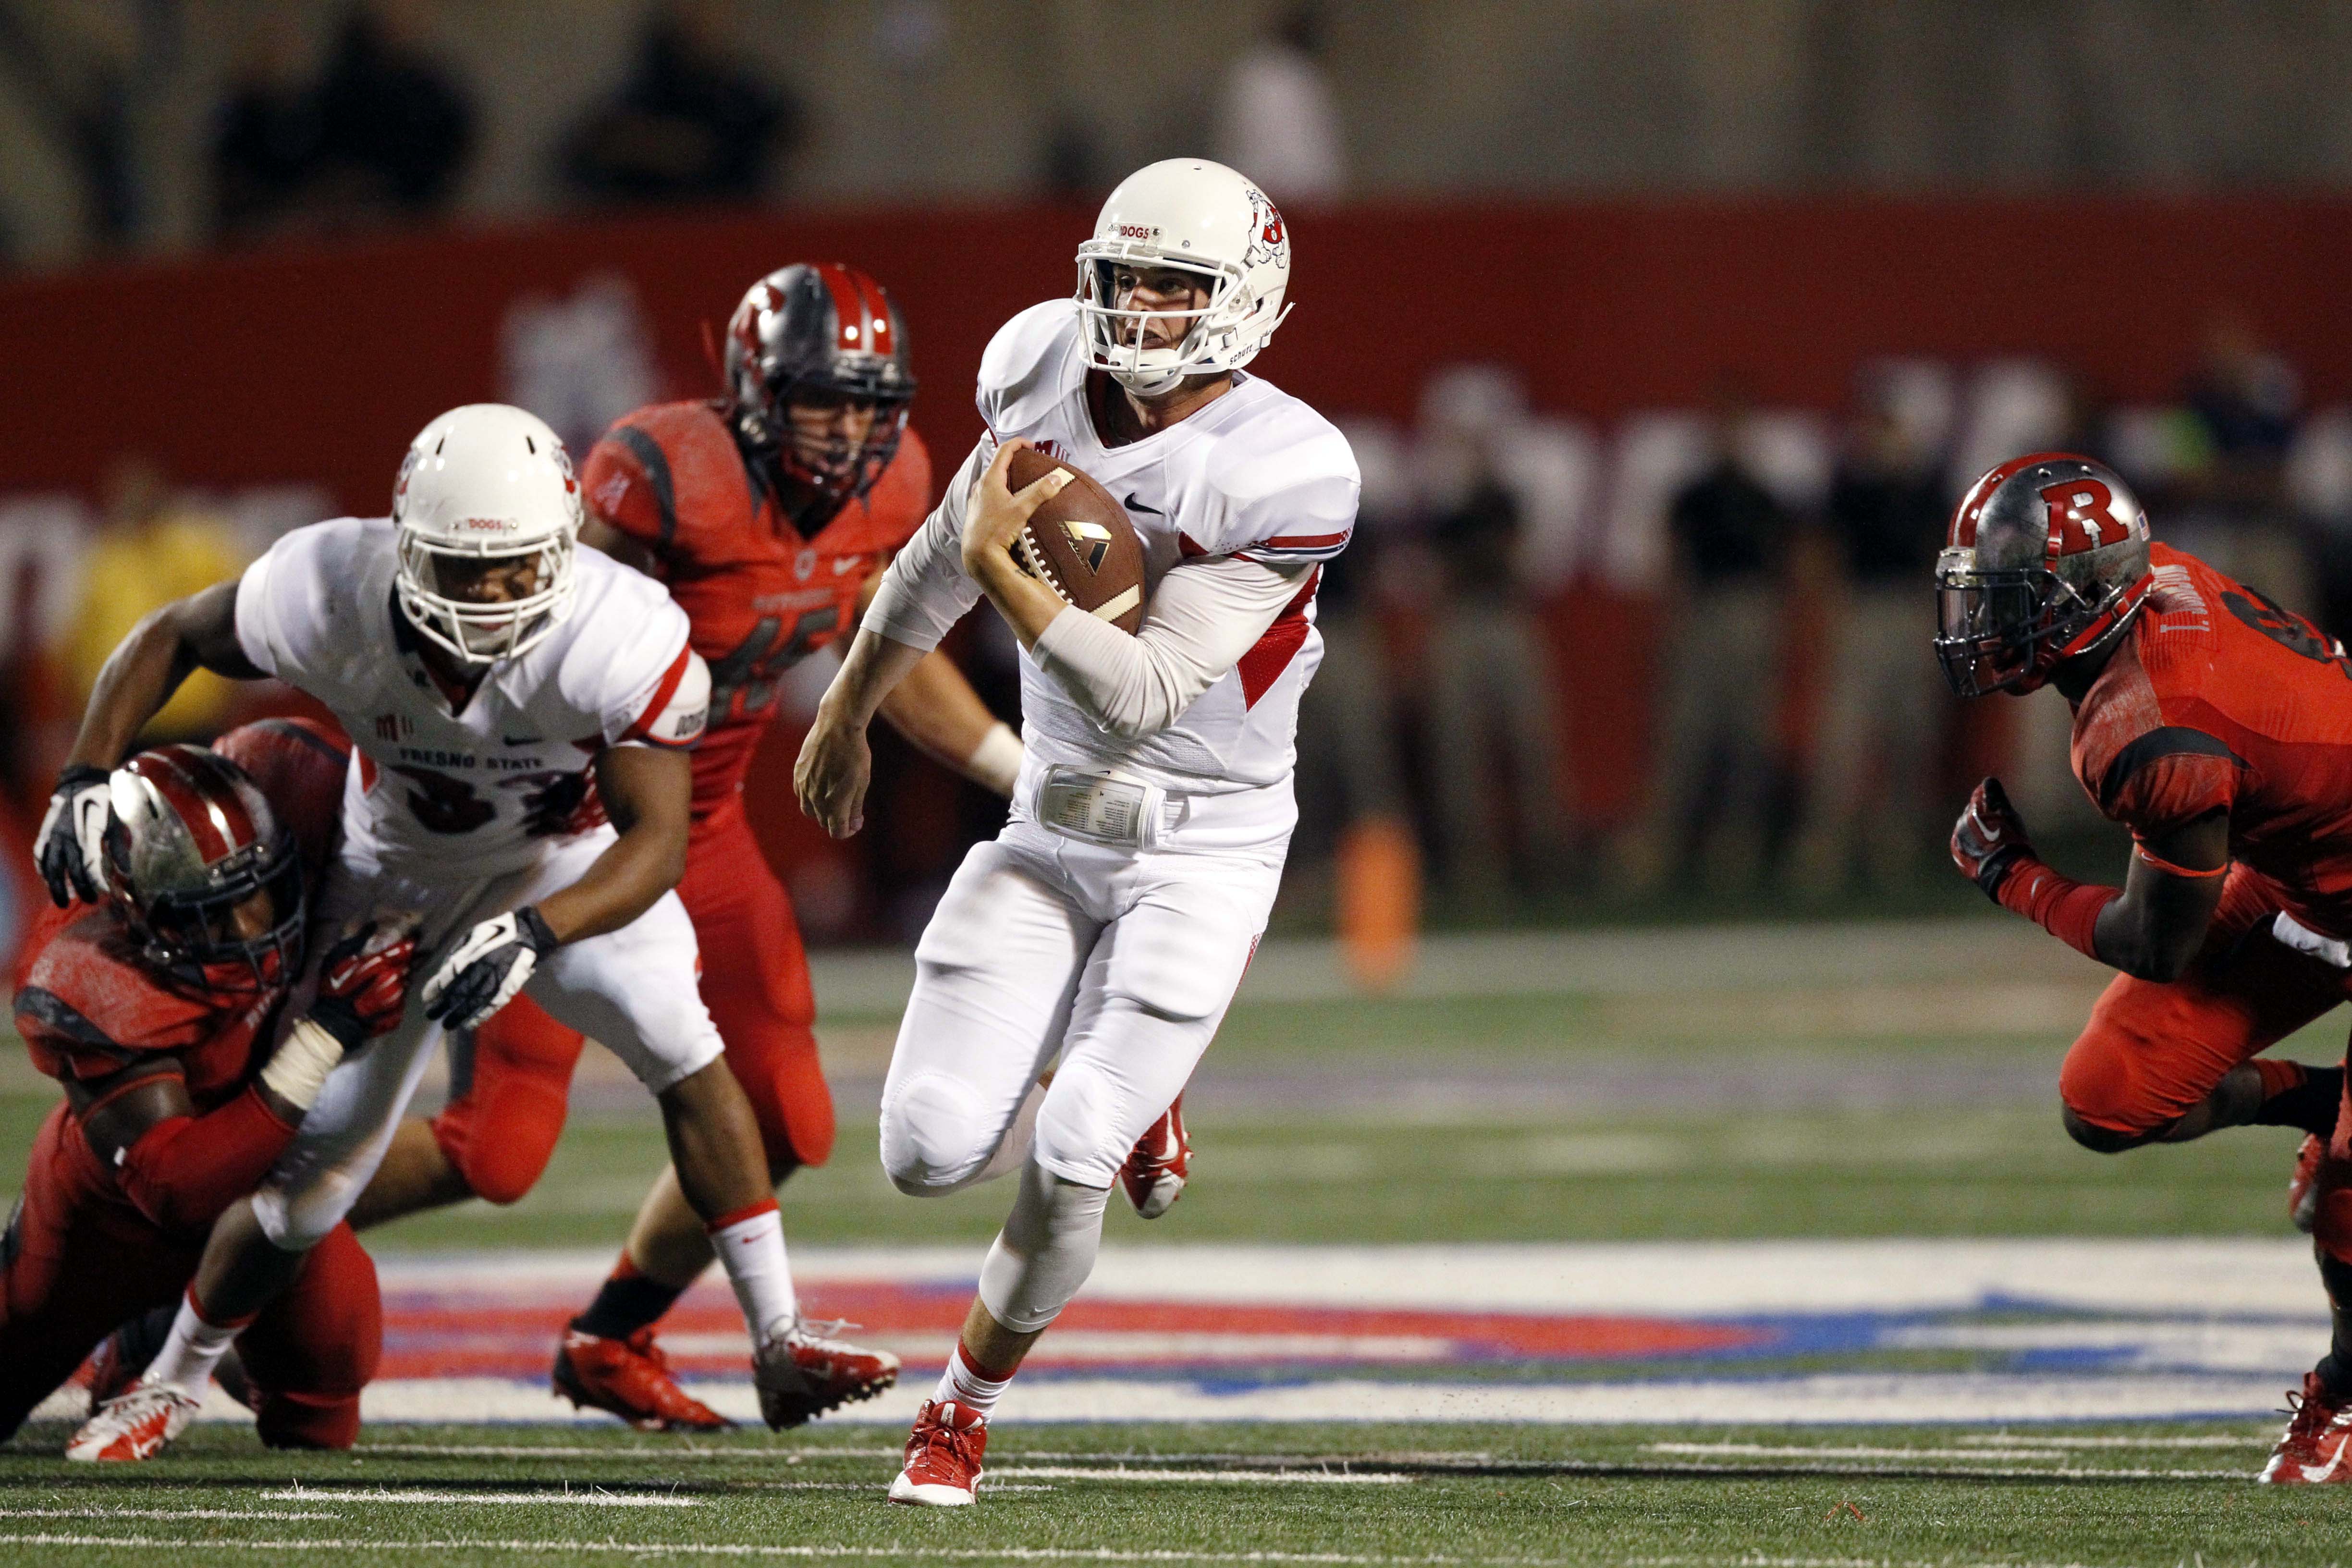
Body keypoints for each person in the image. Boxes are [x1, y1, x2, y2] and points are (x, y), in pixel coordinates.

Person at [37, 403, 804, 1462]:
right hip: (390, 871)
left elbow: (658, 841)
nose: (490, 598)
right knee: (314, 1174)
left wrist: (537, 929)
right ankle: (172, 1381)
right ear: (403, 547)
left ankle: (780, 1332)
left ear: (567, 544)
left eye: (516, 568)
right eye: (459, 569)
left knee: (679, 1033)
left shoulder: (621, 631)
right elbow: (174, 633)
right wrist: (85, 771)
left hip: (557, 861)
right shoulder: (330, 588)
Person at [334, 263, 1026, 1431]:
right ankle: (232, 1255)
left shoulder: (895, 482)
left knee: (789, 1119)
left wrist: (1023, 776)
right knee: (495, 1151)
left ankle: (611, 1336)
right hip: (570, 834)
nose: (853, 431)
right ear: (755, 387)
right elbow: (540, 649)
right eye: (823, 400)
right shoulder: (664, 478)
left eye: (872, 403)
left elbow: (882, 639)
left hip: (701, 833)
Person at [796, 157, 1358, 1506]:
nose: (1142, 308)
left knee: (1070, 1148)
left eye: (1178, 284)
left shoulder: (1286, 466)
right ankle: (1131, 1074)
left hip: (1206, 841)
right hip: (1051, 819)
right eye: (1125, 277)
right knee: (924, 1151)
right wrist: (850, 709)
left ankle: (960, 1408)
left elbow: (1153, 685)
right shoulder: (1039, 369)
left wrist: (1009, 575)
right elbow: (935, 557)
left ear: (1249, 299)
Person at [1934, 452, 2352, 1485]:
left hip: (2325, 868)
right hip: (2312, 874)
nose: (1987, 616)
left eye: (2014, 593)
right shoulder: (2145, 595)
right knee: (2111, 1096)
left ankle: (2343, 1399)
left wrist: (2014, 877)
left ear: (2082, 596)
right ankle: (2328, 1107)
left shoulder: (2153, 724)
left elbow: (2152, 942)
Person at [7, 723, 412, 1456]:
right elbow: (176, 1187)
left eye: (262, 890)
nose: (254, 926)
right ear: (144, 918)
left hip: (265, 1199)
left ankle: (158, 1339)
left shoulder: (298, 788)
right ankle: (141, 1330)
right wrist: (322, 1037)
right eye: (214, 914)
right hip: (110, 1221)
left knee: (328, 1399)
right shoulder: (91, 969)